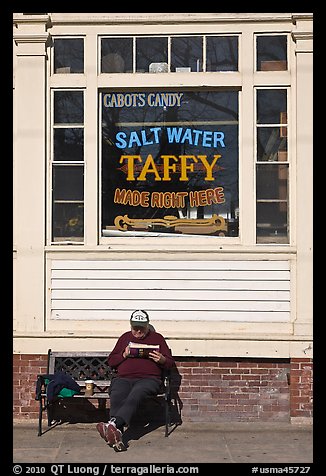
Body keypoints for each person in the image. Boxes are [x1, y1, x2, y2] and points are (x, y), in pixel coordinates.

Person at [96, 310, 175, 452]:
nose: (138, 331)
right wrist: (123, 354)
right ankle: (116, 436)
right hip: (124, 378)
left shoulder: (157, 338)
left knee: (137, 393)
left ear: (147, 326)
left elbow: (169, 363)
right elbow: (111, 361)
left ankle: (113, 424)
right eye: (135, 328)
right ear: (130, 326)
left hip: (149, 379)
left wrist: (162, 359)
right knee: (118, 393)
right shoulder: (124, 338)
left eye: (141, 328)